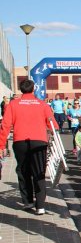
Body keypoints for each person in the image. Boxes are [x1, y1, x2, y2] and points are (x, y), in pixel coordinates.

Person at [0, 80, 58, 215]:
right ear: (34, 89)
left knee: (23, 170)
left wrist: (1, 145)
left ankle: (27, 201)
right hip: (39, 142)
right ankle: (41, 206)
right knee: (39, 172)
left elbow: (5, 126)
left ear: (21, 90)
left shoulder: (13, 104)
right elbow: (53, 125)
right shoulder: (42, 104)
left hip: (20, 141)